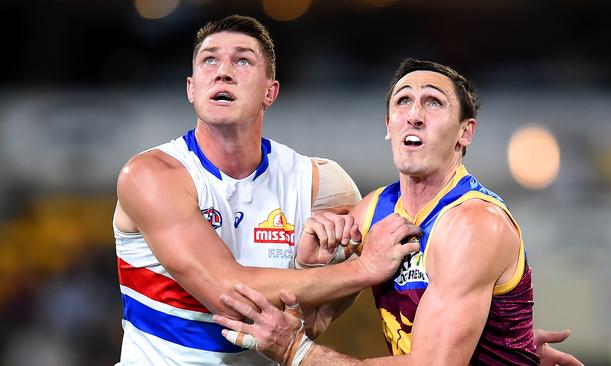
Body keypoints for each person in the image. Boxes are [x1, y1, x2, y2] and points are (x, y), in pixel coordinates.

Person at [213, 58, 584, 365]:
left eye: (434, 102)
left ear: (465, 133)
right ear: (389, 126)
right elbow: (314, 325)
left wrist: (296, 351)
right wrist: (311, 268)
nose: (415, 115)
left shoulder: (473, 225)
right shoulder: (373, 210)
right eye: (403, 101)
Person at [113, 15, 422, 365]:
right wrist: (364, 268)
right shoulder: (150, 175)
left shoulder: (322, 184)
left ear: (270, 91)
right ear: (192, 88)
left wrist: (313, 300)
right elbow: (229, 292)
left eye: (243, 60)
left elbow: (321, 303)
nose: (223, 71)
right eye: (209, 60)